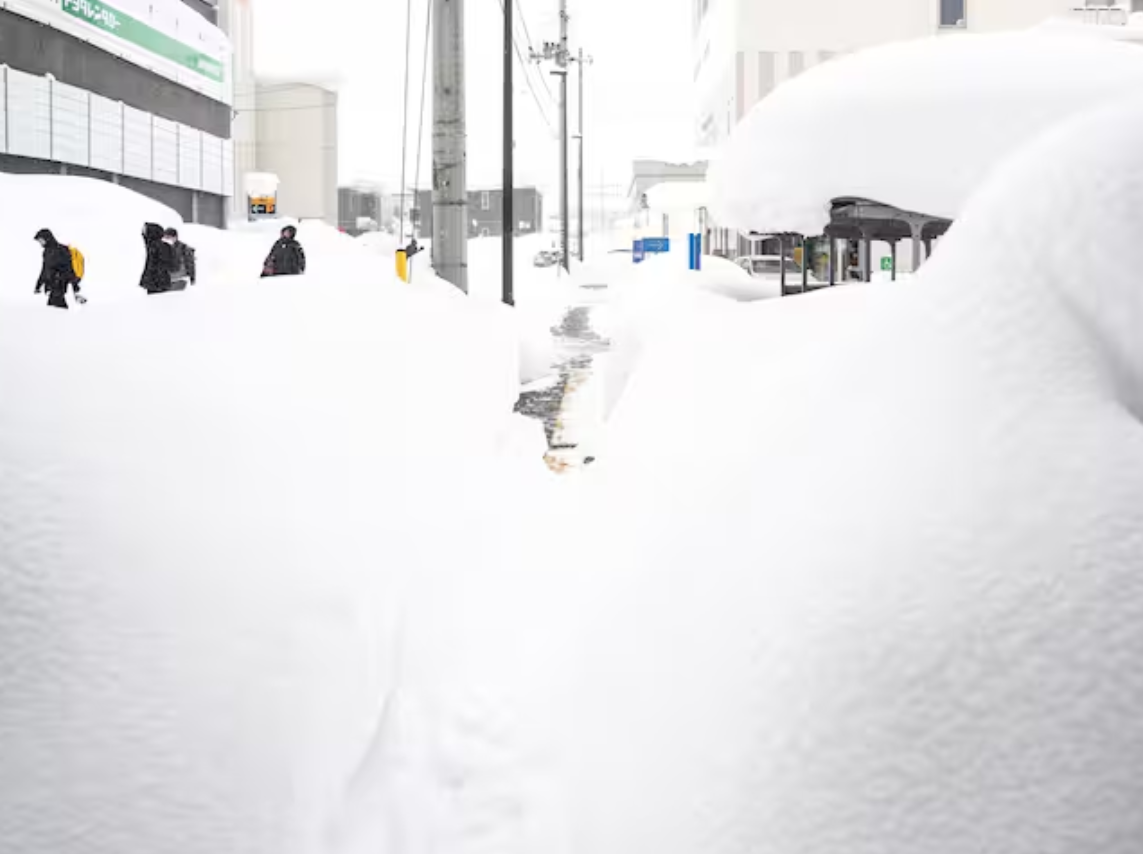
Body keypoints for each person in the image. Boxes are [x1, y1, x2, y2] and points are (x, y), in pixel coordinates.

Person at [33, 229, 82, 310]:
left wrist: (75, 288)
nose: (40, 242)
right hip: (51, 288)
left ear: (47, 238)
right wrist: (38, 285)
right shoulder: (46, 252)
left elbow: (69, 269)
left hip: (59, 286)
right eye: (39, 241)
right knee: (54, 310)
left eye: (41, 240)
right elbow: (44, 270)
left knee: (57, 310)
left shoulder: (62, 250)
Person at [140, 223, 174, 295]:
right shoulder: (163, 246)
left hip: (156, 281)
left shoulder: (154, 246)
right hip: (159, 280)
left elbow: (162, 263)